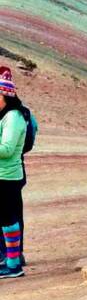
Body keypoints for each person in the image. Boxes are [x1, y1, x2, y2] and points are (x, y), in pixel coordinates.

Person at [0, 66, 28, 278]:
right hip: (4, 176)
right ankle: (10, 261)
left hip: (7, 177)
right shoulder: (6, 116)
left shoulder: (13, 118)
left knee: (9, 220)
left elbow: (7, 150)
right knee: (7, 219)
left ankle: (13, 265)